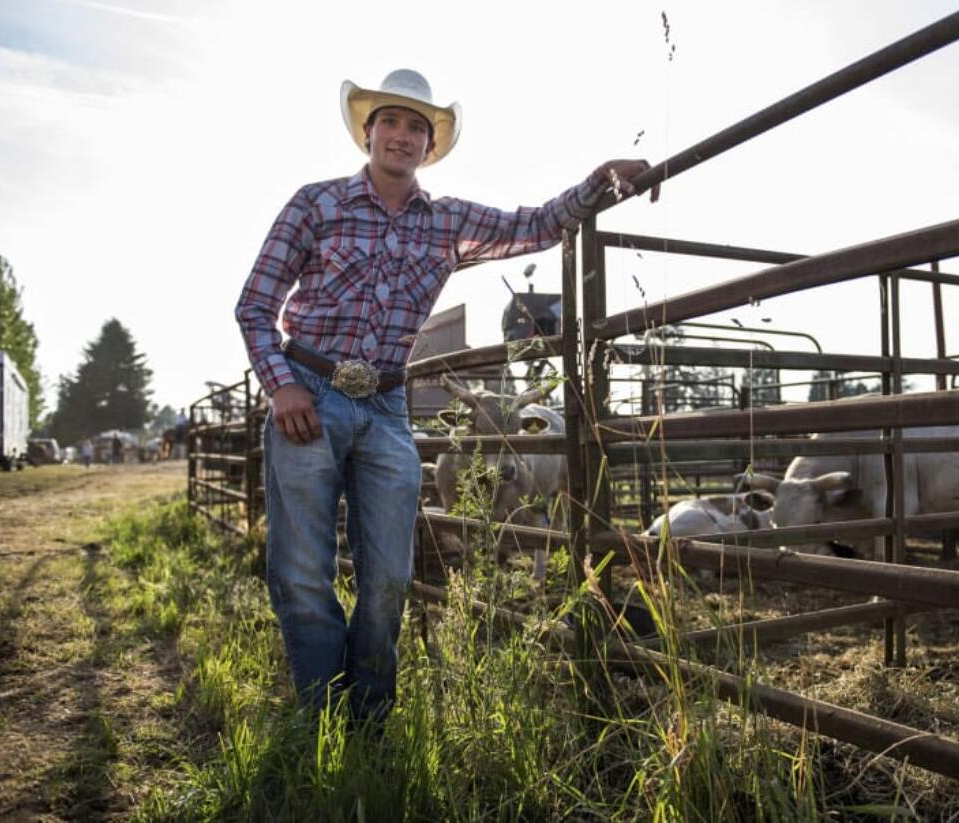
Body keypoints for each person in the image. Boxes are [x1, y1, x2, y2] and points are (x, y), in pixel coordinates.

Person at [235, 68, 658, 720]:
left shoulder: (448, 222)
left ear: (429, 147)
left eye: (416, 127)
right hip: (309, 395)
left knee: (388, 579)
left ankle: (368, 721)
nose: (401, 136)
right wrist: (282, 385)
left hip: (384, 404)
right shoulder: (314, 204)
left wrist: (601, 179)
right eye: (391, 122)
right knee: (301, 571)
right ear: (367, 132)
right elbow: (255, 306)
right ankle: (321, 719)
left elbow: (538, 224)